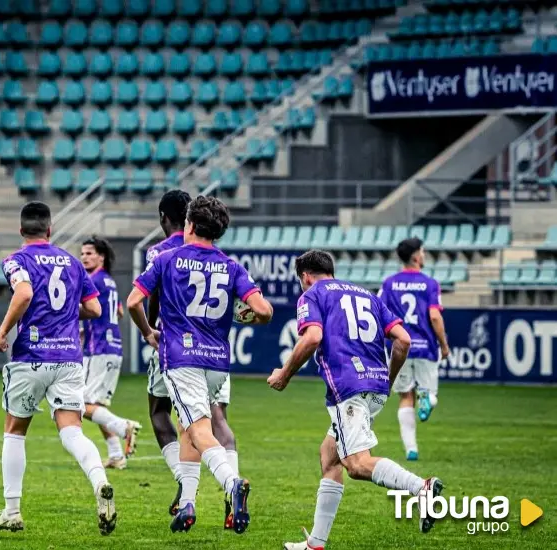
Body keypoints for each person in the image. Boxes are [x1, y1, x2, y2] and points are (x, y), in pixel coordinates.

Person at [270, 250, 443, 550]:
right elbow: (403, 340)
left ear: (306, 276)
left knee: (356, 463)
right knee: (329, 457)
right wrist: (387, 380)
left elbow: (311, 338)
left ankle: (421, 488)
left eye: (301, 280)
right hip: (375, 384)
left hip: (348, 387)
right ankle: (316, 544)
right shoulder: (367, 295)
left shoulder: (312, 295)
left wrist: (284, 375)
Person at [127, 196, 274, 534]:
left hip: (182, 358)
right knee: (190, 426)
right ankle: (188, 502)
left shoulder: (167, 258)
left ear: (189, 224)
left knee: (197, 429)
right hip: (218, 362)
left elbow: (134, 302)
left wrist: (149, 331)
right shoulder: (231, 266)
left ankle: (231, 483)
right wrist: (247, 315)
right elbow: (264, 311)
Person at [0, 202, 116, 536]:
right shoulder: (73, 262)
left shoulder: (16, 260)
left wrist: (3, 332)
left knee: (15, 430)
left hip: (31, 356)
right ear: (50, 230)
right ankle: (100, 481)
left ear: (21, 232)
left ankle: (12, 510)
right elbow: (93, 307)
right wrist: (64, 317)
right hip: (69, 357)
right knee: (72, 431)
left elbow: (24, 293)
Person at [144, 189, 244, 518]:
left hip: (178, 345)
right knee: (217, 420)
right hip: (216, 349)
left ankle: (200, 486)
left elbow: (148, 296)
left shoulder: (161, 253)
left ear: (164, 217)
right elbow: (254, 305)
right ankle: (203, 500)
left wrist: (150, 329)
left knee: (165, 413)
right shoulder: (220, 257)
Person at [379, 238, 450, 461]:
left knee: (405, 397)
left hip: (400, 347)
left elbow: (379, 312)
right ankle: (427, 398)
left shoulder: (389, 283)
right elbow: (435, 316)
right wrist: (444, 344)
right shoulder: (430, 283)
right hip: (425, 347)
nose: (424, 255)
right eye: (423, 251)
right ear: (417, 257)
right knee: (429, 394)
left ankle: (412, 449)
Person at [79, 235, 142, 469]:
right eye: (83, 253)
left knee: (82, 405)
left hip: (99, 349)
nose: (84, 257)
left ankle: (123, 426)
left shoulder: (92, 281)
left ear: (101, 257)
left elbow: (87, 310)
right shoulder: (109, 281)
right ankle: (116, 455)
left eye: (89, 253)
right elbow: (119, 311)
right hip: (111, 345)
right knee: (97, 405)